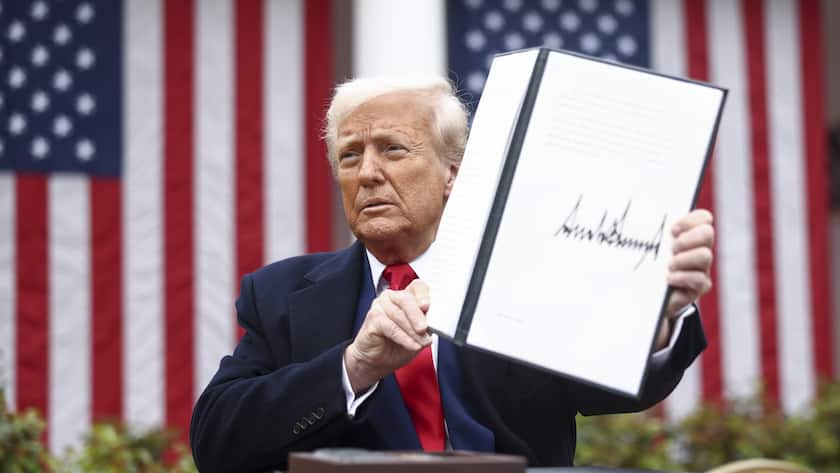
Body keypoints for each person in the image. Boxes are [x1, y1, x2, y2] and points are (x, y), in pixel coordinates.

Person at [190, 76, 712, 473]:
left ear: (453, 175)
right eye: (350, 156)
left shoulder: (527, 277)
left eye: (392, 149)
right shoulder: (282, 295)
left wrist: (660, 313)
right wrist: (354, 367)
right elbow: (217, 440)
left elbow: (616, 386)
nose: (367, 173)